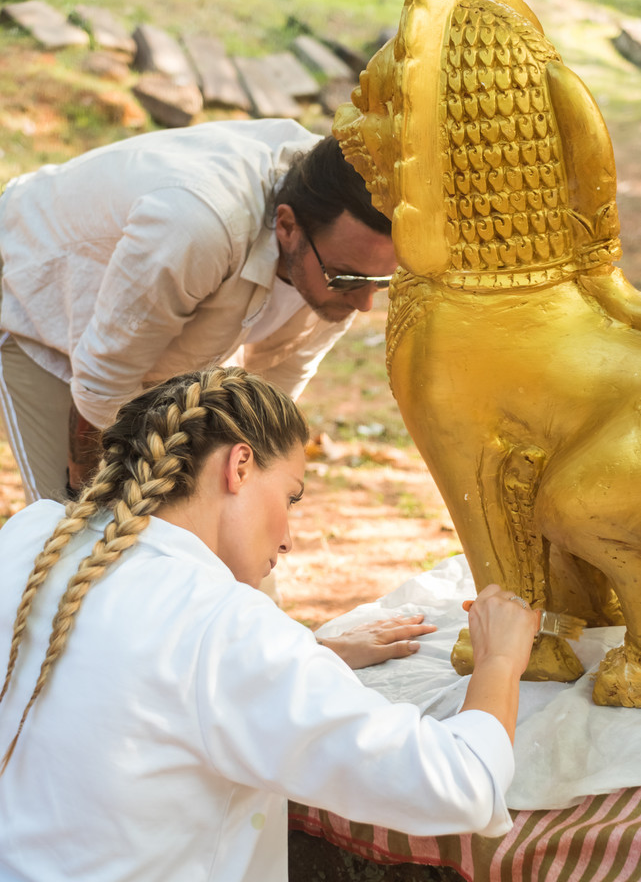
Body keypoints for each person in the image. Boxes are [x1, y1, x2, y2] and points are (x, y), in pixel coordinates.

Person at [0, 366, 538, 882]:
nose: (288, 538)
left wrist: (310, 651)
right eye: (291, 497)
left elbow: (131, 672)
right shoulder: (225, 628)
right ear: (239, 466)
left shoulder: (33, 534)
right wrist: (500, 661)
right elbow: (461, 784)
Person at [0, 118, 396, 504]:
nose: (364, 304)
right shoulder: (198, 227)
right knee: (77, 543)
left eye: (381, 283)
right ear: (287, 226)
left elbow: (266, 398)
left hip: (151, 331)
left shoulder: (344, 240)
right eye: (346, 279)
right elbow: (101, 382)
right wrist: (90, 513)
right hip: (37, 293)